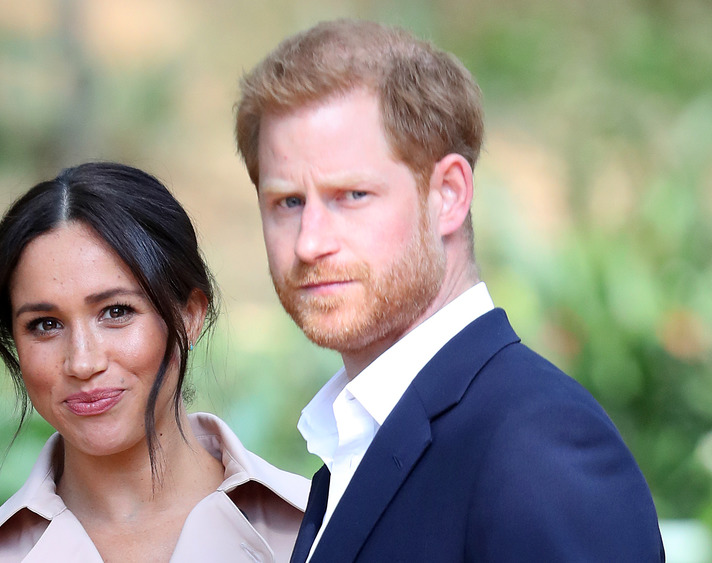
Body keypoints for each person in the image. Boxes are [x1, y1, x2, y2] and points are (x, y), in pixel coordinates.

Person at [234, 19, 664, 562]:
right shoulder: (359, 444)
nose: (309, 242)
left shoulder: (538, 446)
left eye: (351, 194)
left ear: (449, 195)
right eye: (288, 203)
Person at [0, 162, 308, 562]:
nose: (83, 363)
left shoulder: (323, 530)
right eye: (45, 324)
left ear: (190, 315)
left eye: (116, 312)